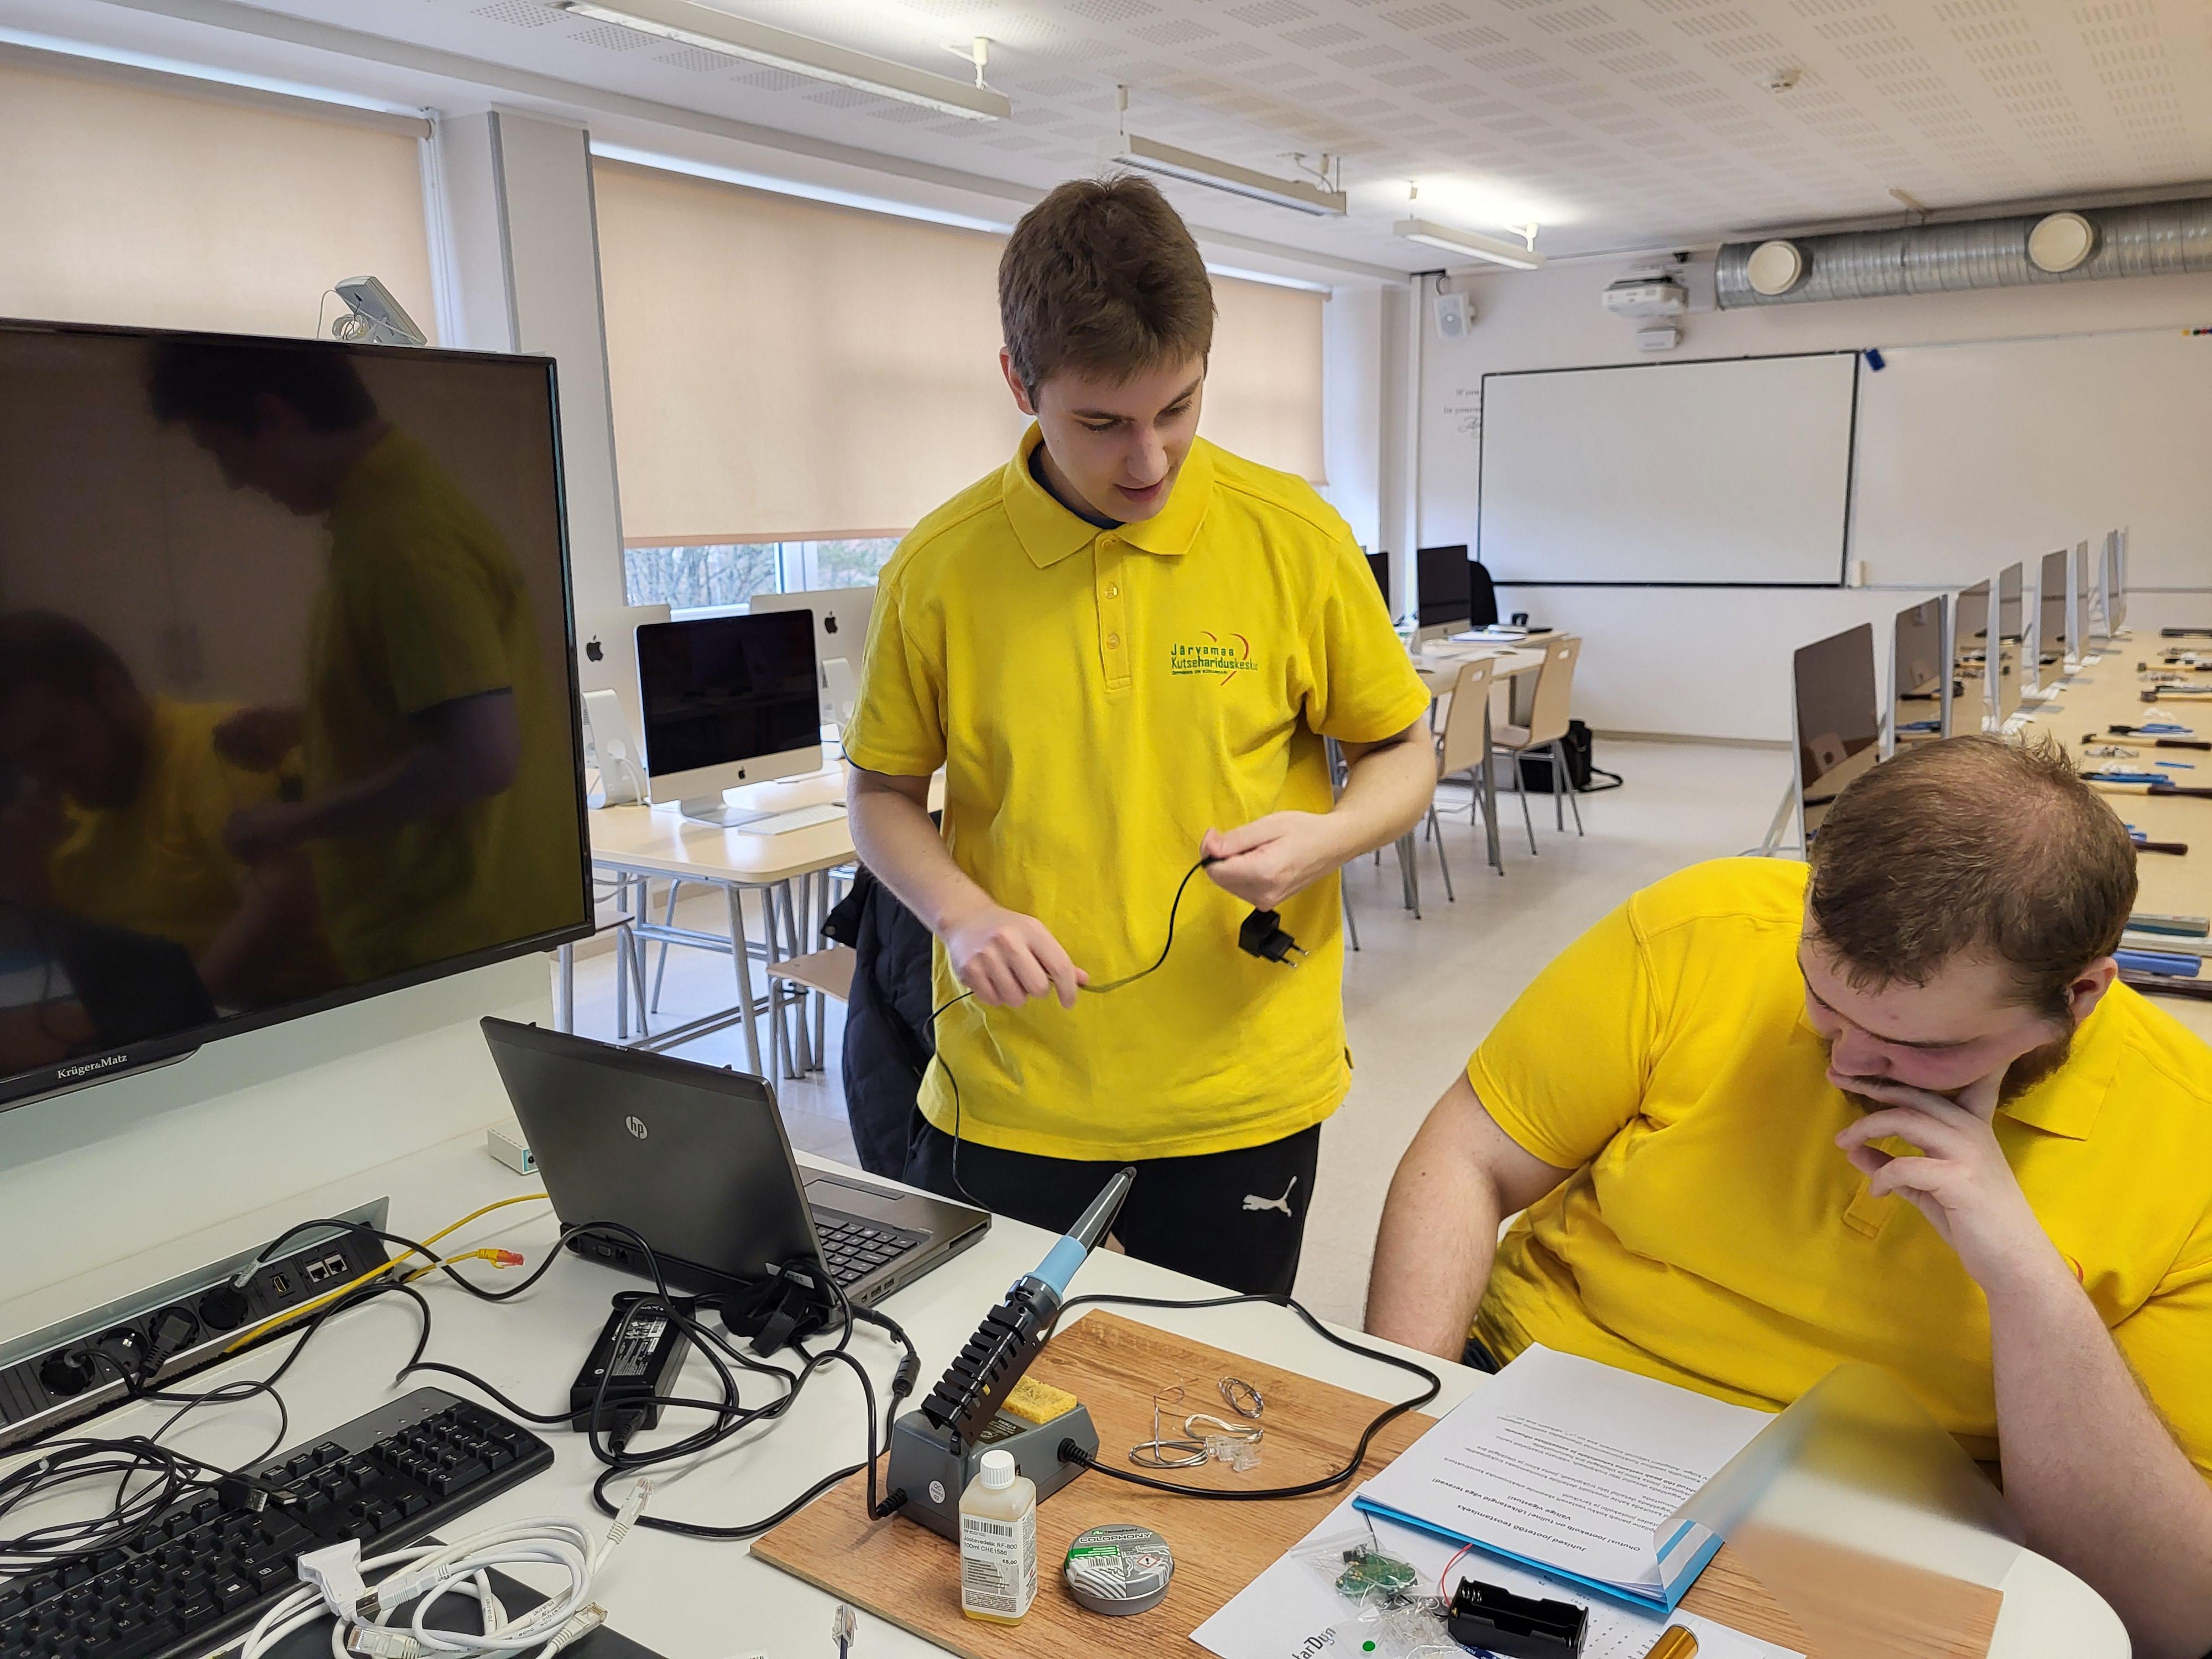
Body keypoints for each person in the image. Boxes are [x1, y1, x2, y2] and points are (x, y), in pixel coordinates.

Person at [1365, 735, 2212, 1658]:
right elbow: (1469, 1157)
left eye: (1921, 1047)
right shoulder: (1708, 929)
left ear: (2079, 997)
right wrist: (1396, 1416)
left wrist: (2025, 1278)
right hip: (1538, 1389)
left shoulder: (2186, 1139)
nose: (1848, 1063)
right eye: (1823, 1001)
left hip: (1873, 1520)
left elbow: (2176, 1613)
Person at [843, 175, 1436, 1296]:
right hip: (1012, 1084)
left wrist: (1326, 838)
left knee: (1217, 1387)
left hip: (1242, 1082)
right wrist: (961, 913)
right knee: (977, 1380)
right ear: (1019, 384)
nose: (1150, 460)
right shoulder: (939, 566)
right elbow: (879, 796)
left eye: (1178, 408)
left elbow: (1404, 753)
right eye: (1102, 424)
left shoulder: (1296, 537)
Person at [145, 341, 578, 983]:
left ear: (272, 417)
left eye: (220, 451)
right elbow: (442, 701)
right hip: (447, 927)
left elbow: (481, 757)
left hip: (449, 934)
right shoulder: (385, 514)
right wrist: (307, 724)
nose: (233, 480)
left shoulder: (404, 544)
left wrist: (294, 824)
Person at [0, 610, 328, 1009]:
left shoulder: (220, 748)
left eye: (53, 741)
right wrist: (21, 879)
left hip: (292, 1015)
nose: (44, 775)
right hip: (163, 1016)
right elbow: (54, 954)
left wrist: (176, 1020)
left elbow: (288, 896)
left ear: (110, 692)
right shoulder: (68, 806)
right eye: (22, 760)